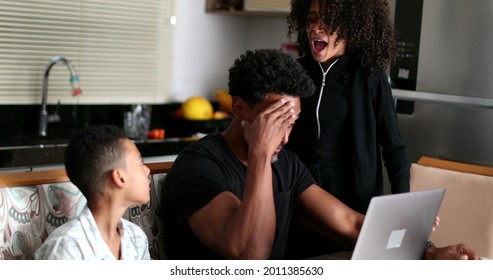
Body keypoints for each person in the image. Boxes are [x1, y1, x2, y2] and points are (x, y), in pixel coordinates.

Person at [160, 48, 478, 260]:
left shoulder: (287, 164)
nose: (285, 137)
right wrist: (260, 153)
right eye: (276, 121)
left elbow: (352, 225)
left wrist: (428, 252)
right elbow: (250, 257)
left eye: (293, 122)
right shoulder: (198, 167)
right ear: (240, 108)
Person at [284, 0, 411, 258]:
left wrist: (403, 208)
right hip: (300, 198)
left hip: (352, 198)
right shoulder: (293, 73)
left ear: (353, 26)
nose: (316, 28)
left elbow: (394, 148)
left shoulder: (370, 76)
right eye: (311, 19)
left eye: (328, 21)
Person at [35, 125, 151, 260]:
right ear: (119, 177)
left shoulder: (136, 238)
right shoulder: (65, 250)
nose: (147, 170)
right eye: (140, 162)